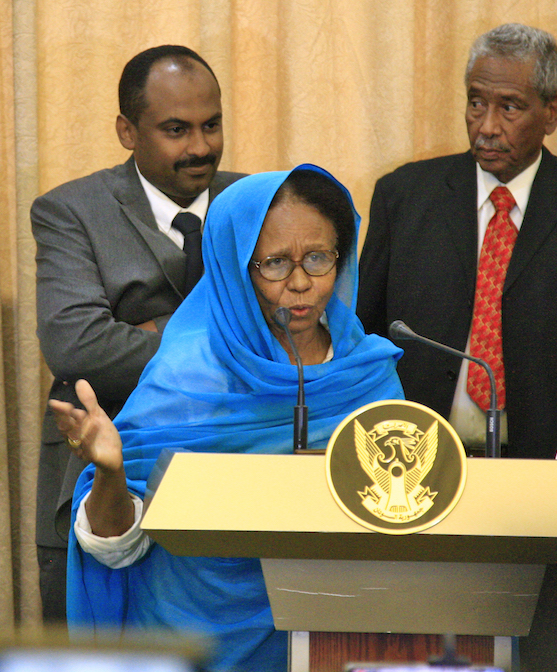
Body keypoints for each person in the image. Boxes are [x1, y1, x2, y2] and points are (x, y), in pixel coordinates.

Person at [49, 165, 403, 672]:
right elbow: (115, 550)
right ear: (235, 269)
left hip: (337, 637)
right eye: (275, 263)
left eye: (319, 259)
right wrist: (111, 473)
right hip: (193, 639)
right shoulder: (186, 374)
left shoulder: (369, 374)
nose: (300, 283)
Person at [356, 23, 557, 459]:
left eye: (510, 108)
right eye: (476, 103)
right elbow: (364, 340)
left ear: (551, 112)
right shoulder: (403, 198)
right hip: (415, 460)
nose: (487, 126)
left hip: (549, 470)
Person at [31, 44, 244, 622]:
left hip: (236, 474)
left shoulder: (260, 203)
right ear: (127, 131)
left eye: (211, 125)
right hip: (102, 474)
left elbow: (295, 335)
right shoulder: (69, 210)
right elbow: (77, 346)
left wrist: (148, 329)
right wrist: (222, 338)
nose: (200, 147)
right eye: (177, 129)